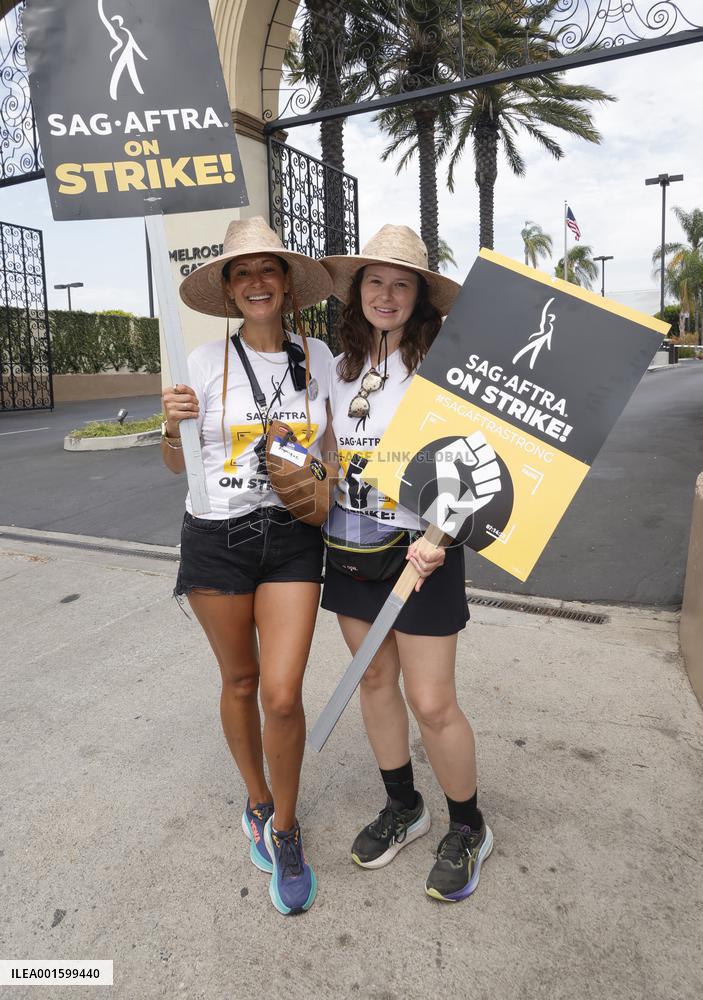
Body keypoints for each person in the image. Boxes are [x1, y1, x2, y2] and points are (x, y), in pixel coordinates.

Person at [161, 216, 334, 916]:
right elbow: (178, 464)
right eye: (242, 272)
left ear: (285, 284)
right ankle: (258, 803)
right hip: (214, 538)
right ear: (229, 290)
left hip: (292, 537)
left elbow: (338, 448)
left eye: (268, 269)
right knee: (240, 679)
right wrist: (170, 426)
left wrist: (314, 471)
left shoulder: (318, 355)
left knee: (283, 694)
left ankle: (287, 829)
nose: (256, 281)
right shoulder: (202, 363)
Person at [320, 225, 493, 902]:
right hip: (348, 548)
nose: (385, 295)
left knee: (432, 700)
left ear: (420, 297)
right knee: (372, 681)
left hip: (422, 552)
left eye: (401, 284)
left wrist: (440, 539)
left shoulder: (441, 365)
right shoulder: (338, 370)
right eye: (374, 281)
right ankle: (403, 807)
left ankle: (469, 826)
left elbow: (479, 458)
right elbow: (331, 458)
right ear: (356, 290)